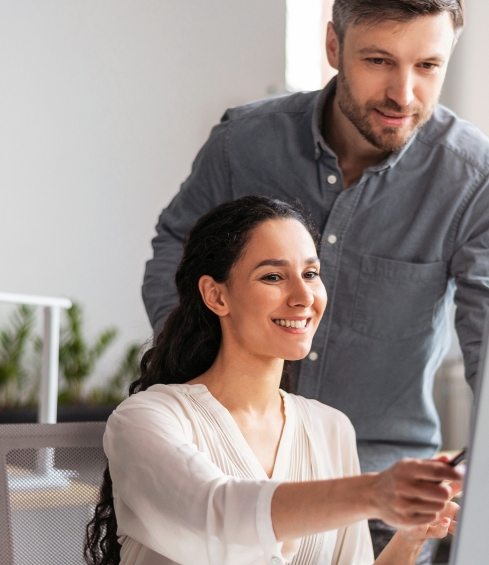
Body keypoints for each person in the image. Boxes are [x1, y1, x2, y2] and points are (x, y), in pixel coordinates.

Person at [142, 0, 489, 560]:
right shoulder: (243, 145)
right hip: (235, 475)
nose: (403, 93)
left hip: (385, 499)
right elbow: (177, 258)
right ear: (333, 47)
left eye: (428, 66)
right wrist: (209, 380)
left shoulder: (475, 180)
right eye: (379, 60)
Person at [87, 196, 462, 565]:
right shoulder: (145, 419)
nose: (303, 297)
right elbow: (217, 513)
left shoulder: (330, 427)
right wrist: (374, 493)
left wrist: (411, 536)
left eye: (311, 274)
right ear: (216, 296)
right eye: (273, 276)